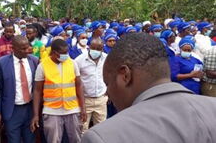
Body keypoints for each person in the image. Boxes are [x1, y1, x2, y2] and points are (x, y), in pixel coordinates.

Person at [81, 32, 216, 143]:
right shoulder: (212, 108)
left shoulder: (102, 137)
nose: (108, 93)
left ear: (125, 75)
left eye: (108, 84)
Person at [30, 39, 87, 143]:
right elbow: (37, 91)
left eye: (67, 52)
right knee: (53, 140)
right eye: (63, 53)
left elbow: (79, 85)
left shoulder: (72, 63)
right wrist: (36, 115)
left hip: (72, 109)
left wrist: (83, 108)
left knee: (76, 139)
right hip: (52, 111)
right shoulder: (42, 66)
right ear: (55, 53)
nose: (66, 55)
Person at [0, 35, 38, 143]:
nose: (27, 51)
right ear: (13, 48)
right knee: (13, 140)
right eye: (23, 49)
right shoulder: (2, 63)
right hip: (12, 110)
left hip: (30, 109)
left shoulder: (34, 61)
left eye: (28, 47)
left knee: (30, 139)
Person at [75, 38, 107, 132]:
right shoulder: (79, 60)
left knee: (101, 130)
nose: (96, 51)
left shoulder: (106, 58)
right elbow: (75, 81)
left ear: (102, 49)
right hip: (85, 100)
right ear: (89, 47)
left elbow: (111, 74)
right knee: (82, 129)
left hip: (101, 99)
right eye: (94, 48)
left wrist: (108, 90)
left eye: (99, 49)